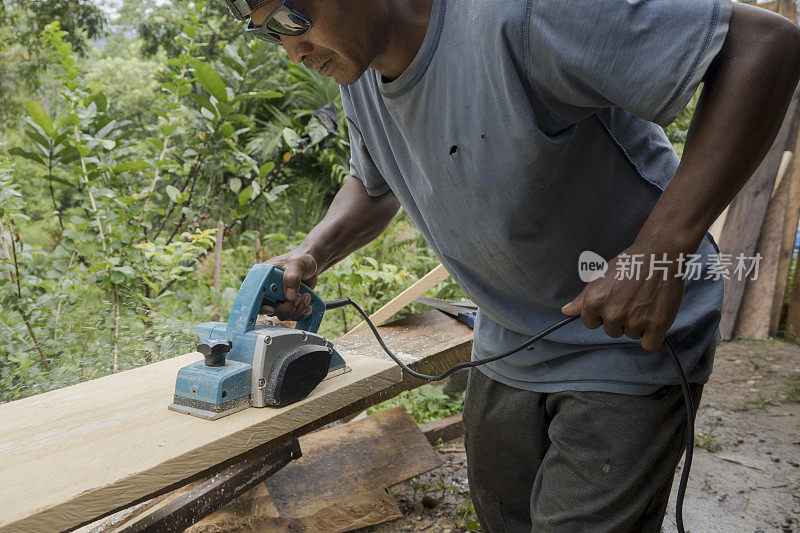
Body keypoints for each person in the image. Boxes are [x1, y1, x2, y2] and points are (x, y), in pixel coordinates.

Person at [224, 0, 800, 530]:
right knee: (507, 520)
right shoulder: (359, 67)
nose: (292, 50)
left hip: (624, 338)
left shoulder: (523, 14)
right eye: (269, 30)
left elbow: (764, 47)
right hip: (509, 340)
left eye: (294, 18)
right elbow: (375, 184)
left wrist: (660, 252)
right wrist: (311, 252)